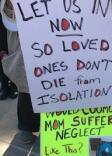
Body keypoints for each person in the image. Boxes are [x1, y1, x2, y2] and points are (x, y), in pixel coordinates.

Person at [1, 0, 39, 144]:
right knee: (27, 83)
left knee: (61, 80)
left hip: (64, 28)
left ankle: (57, 127)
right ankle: (27, 126)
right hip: (24, 28)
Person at [0, 8, 18, 100]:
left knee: (13, 49)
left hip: (14, 14)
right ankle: (4, 83)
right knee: (1, 51)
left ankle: (14, 84)